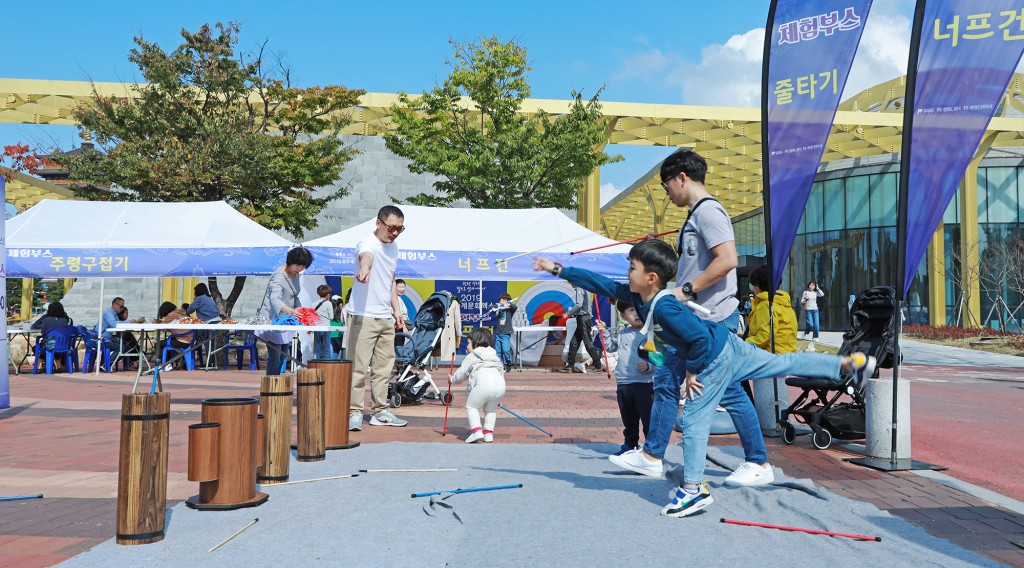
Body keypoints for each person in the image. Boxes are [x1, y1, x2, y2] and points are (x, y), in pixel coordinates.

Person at [532, 240, 875, 517]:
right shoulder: (638, 295)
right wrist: (560, 270)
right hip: (728, 345)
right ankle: (845, 364)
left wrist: (692, 373)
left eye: (632, 267)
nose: (627, 272)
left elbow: (696, 340)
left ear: (651, 276)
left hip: (713, 358)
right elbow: (600, 283)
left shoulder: (664, 307)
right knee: (781, 361)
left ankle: (693, 491)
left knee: (694, 421)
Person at [636, 149, 776, 488]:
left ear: (681, 177)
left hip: (712, 321)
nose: (667, 194)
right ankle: (651, 456)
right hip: (695, 321)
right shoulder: (697, 214)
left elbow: (728, 259)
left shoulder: (709, 212)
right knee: (667, 379)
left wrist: (685, 290)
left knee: (728, 392)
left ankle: (758, 461)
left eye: (666, 185)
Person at [348, 205, 408, 430]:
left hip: (385, 317)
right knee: (358, 368)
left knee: (384, 368)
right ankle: (354, 412)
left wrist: (396, 310)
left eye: (400, 229)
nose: (394, 233)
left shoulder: (394, 248)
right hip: (363, 315)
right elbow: (367, 259)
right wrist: (364, 269)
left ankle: (380, 411)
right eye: (391, 228)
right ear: (378, 223)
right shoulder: (367, 243)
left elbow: (390, 279)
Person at [604, 300, 654, 455]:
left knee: (648, 419)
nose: (637, 313)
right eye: (632, 310)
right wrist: (604, 332)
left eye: (640, 309)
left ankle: (651, 448)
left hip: (645, 383)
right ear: (623, 316)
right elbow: (610, 347)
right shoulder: (622, 334)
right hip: (624, 382)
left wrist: (649, 366)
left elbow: (659, 357)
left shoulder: (650, 333)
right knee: (629, 418)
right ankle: (630, 445)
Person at [258, 247, 314, 375]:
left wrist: (301, 310)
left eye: (303, 266)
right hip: (273, 320)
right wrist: (291, 311)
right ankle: (272, 385)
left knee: (284, 354)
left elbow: (295, 295)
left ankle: (278, 383)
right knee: (275, 355)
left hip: (285, 321)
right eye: (298, 265)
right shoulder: (278, 277)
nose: (300, 269)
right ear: (290, 261)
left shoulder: (295, 275)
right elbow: (275, 299)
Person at [449, 327, 506, 443]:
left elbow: (461, 374)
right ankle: (488, 434)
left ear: (476, 343)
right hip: (500, 385)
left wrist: (452, 379)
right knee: (490, 410)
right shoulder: (494, 355)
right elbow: (501, 372)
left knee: (472, 407)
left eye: (469, 343)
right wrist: (498, 397)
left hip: (483, 383)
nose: (467, 346)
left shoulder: (473, 355)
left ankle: (476, 432)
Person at [560, 283, 603, 374]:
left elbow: (578, 305)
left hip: (583, 318)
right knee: (574, 342)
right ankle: (570, 365)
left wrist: (568, 313)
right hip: (583, 318)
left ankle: (598, 365)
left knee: (587, 342)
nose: (570, 283)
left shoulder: (580, 288)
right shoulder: (585, 287)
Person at [491, 293, 517, 372]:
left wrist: (507, 304)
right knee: (498, 351)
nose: (500, 301)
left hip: (506, 334)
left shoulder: (509, 310)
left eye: (501, 300)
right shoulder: (499, 309)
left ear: (505, 300)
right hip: (498, 333)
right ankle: (501, 365)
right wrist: (498, 306)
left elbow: (515, 307)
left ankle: (509, 363)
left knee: (506, 350)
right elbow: (491, 307)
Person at [435, 294, 463, 369]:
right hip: (437, 329)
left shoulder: (454, 302)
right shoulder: (436, 301)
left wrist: (458, 333)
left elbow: (457, 320)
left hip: (448, 330)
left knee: (448, 351)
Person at [313, 284, 334, 360]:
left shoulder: (313, 304)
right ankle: (328, 366)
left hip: (317, 328)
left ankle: (318, 365)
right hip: (326, 328)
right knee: (327, 349)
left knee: (318, 349)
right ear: (327, 294)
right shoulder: (328, 303)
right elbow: (331, 317)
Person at [330, 293, 345, 359]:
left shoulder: (330, 311)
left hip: (331, 335)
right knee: (343, 350)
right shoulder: (341, 311)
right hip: (339, 334)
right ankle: (343, 365)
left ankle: (331, 365)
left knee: (335, 351)